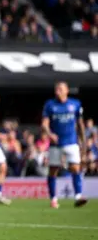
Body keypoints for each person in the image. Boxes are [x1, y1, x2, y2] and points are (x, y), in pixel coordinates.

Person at [42, 81, 87, 209]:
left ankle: (78, 196)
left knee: (75, 169)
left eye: (60, 89)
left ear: (67, 90)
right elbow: (44, 124)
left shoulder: (75, 104)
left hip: (71, 142)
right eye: (56, 89)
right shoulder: (50, 105)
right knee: (53, 171)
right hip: (56, 144)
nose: (58, 91)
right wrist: (50, 134)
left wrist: (83, 144)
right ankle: (53, 199)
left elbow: (80, 125)